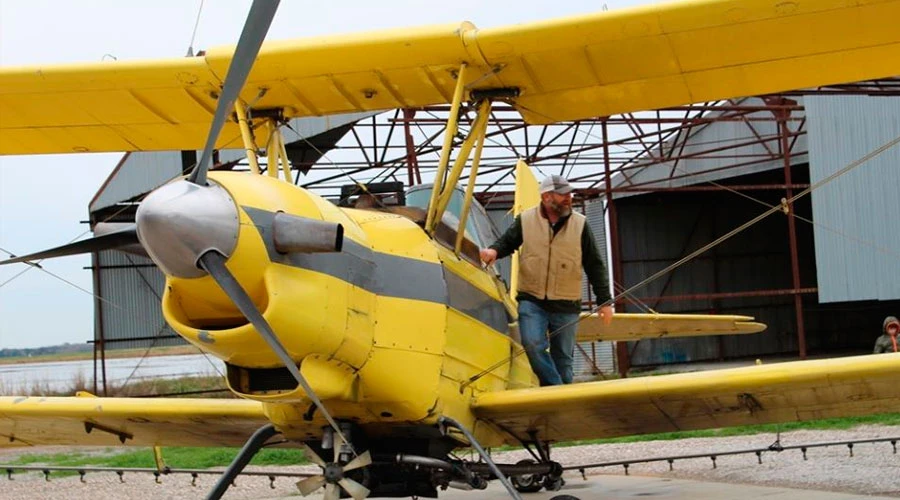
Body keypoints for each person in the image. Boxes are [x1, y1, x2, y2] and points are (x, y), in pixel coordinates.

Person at [480, 174, 614, 386]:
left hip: (566, 304)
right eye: (562, 195)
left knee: (564, 362)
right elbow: (507, 242)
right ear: (546, 197)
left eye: (569, 193)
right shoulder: (525, 220)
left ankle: (559, 407)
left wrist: (604, 301)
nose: (568, 198)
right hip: (532, 301)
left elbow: (595, 265)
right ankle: (560, 392)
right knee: (532, 344)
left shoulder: (581, 225)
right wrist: (494, 251)